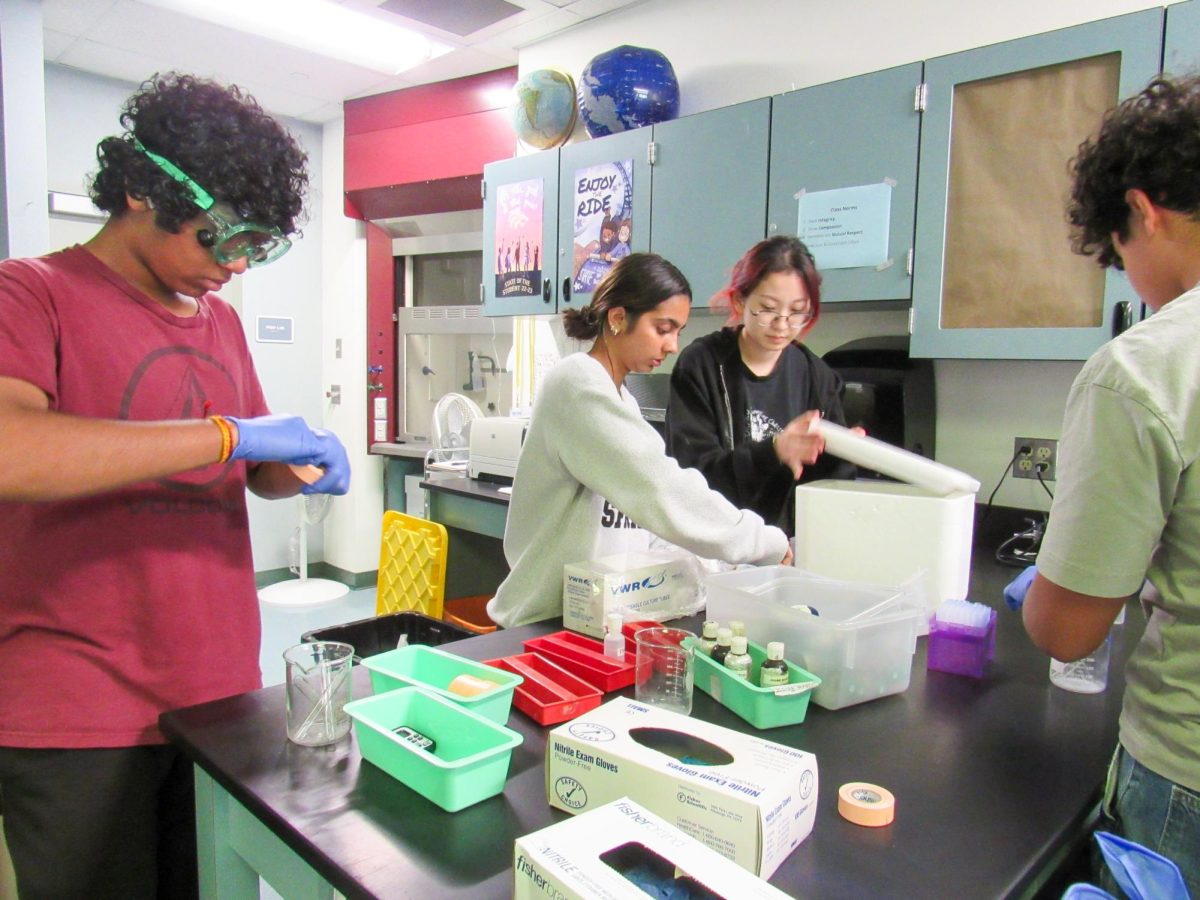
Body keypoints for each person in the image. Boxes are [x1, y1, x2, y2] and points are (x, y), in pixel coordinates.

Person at [0, 72, 350, 898]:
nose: (233, 267)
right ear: (137, 191)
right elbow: (10, 450)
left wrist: (293, 461)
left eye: (255, 248)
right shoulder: (30, 292)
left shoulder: (221, 322)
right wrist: (231, 434)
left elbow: (253, 472)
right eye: (215, 239)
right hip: (76, 711)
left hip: (218, 692)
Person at [1016, 74, 1200, 896]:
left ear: (1146, 210)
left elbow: (1066, 631)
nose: (1132, 277)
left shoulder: (1149, 366)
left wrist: (1050, 590)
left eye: (1122, 248)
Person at [487, 253, 791, 628]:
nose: (673, 345)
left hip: (594, 619)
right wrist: (764, 543)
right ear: (617, 318)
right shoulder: (577, 382)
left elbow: (642, 522)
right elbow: (660, 489)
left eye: (678, 331)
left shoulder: (623, 399)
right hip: (543, 623)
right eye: (663, 329)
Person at [665, 235, 854, 536]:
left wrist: (845, 451)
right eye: (767, 309)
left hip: (784, 548)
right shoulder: (702, 365)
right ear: (741, 300)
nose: (782, 325)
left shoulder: (816, 375)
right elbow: (693, 479)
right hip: (717, 543)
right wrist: (775, 451)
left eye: (797, 312)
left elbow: (826, 485)